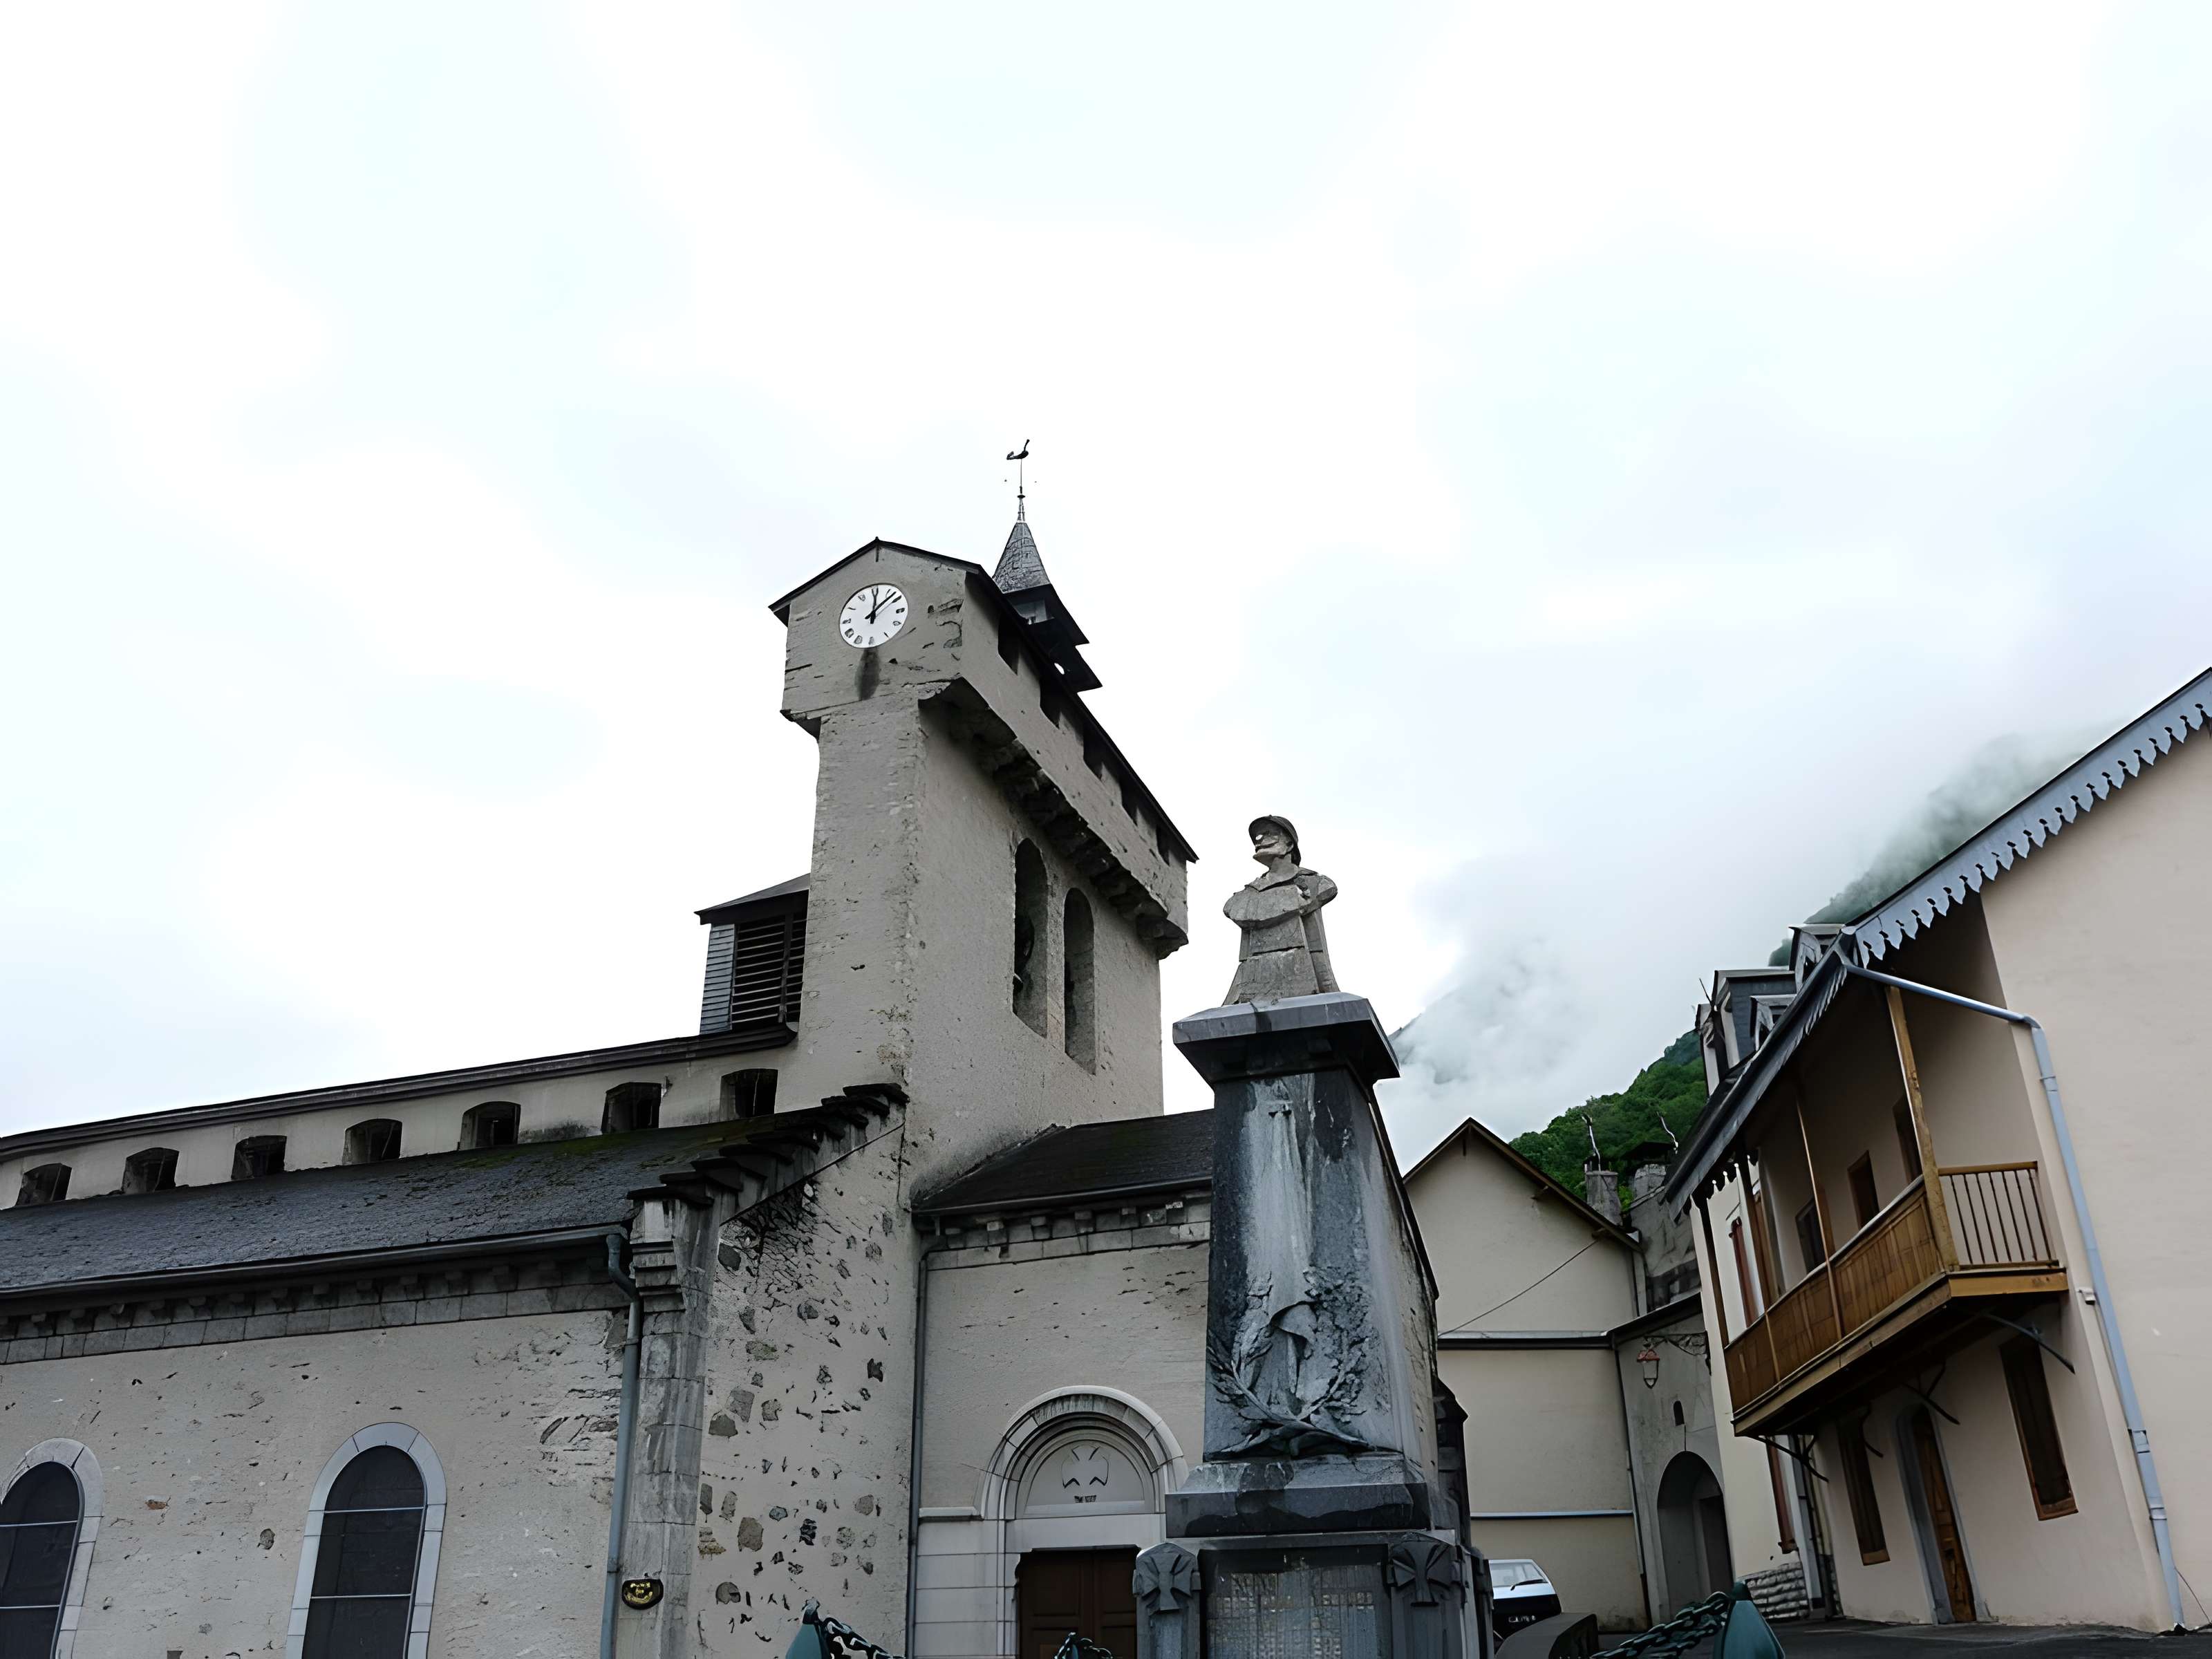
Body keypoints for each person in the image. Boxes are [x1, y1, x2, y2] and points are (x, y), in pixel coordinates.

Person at [1221, 815, 1340, 1004]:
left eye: (1269, 834)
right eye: (1257, 837)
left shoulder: (1316, 883)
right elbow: (1232, 909)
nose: (1259, 840)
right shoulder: (1245, 896)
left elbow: (1327, 891)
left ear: (1289, 845)